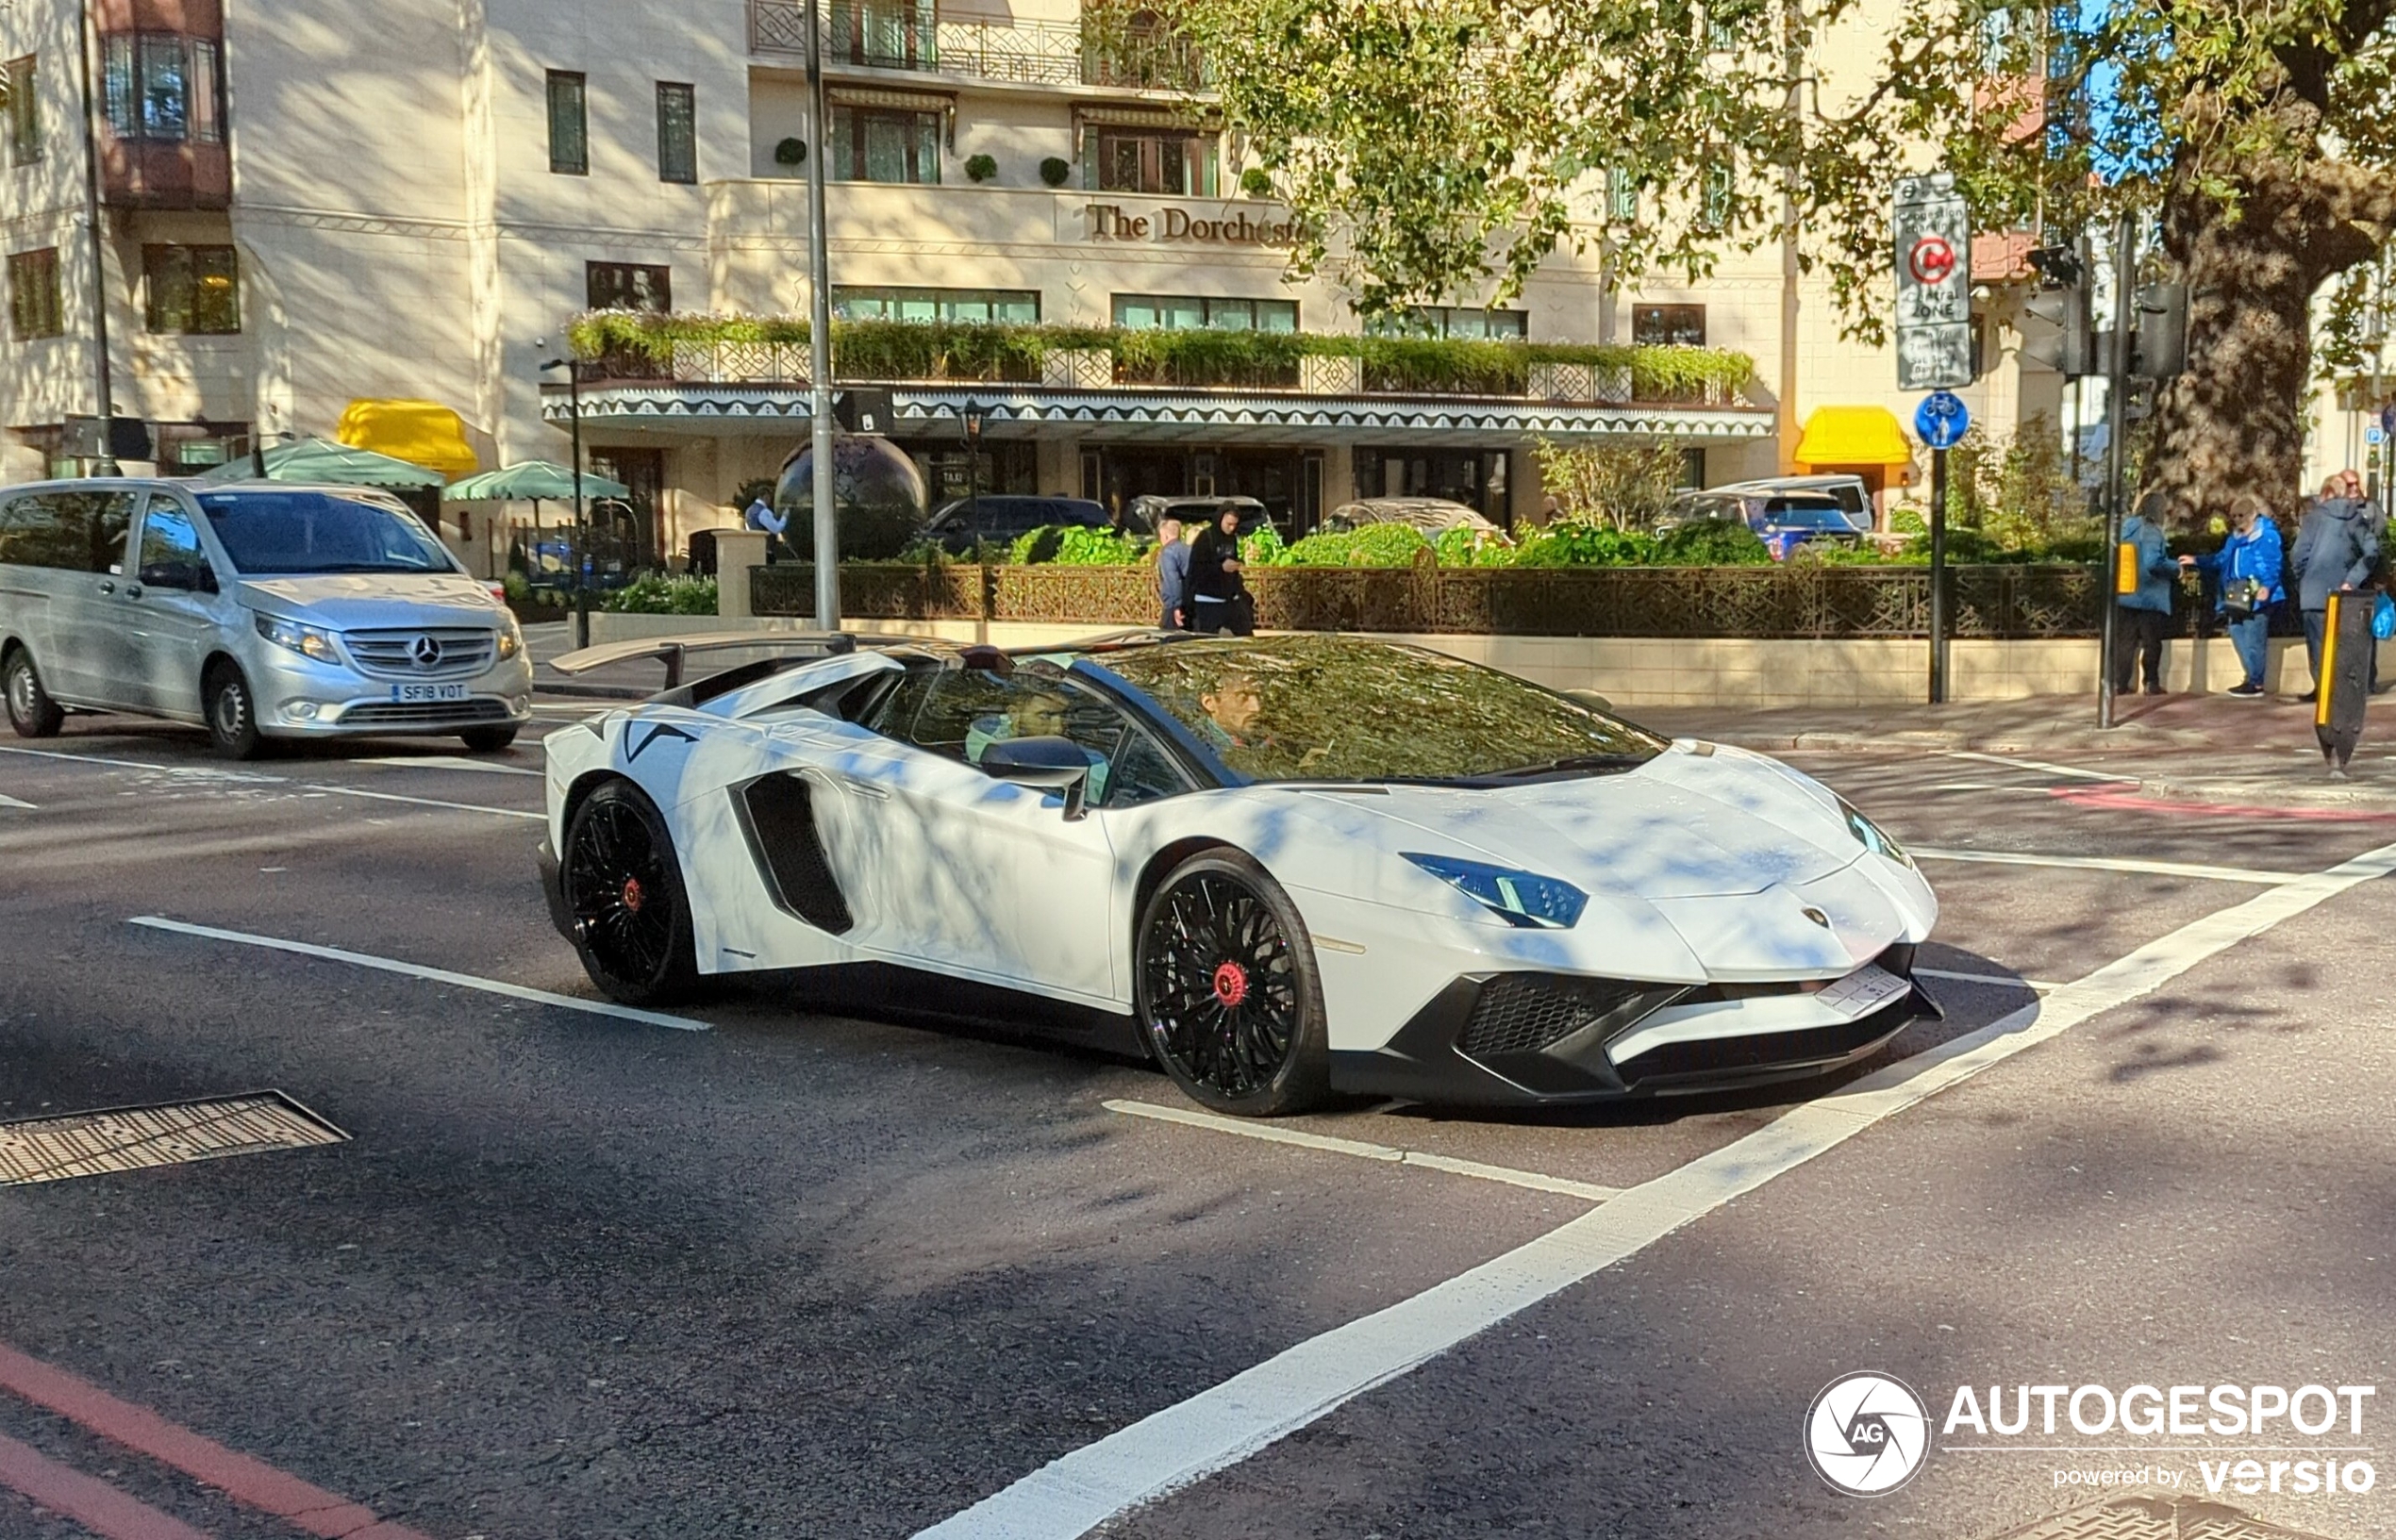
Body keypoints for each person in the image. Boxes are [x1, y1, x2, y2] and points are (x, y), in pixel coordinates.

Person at [2179, 493, 2285, 698]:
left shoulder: (2267, 536)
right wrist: (2197, 560)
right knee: (2237, 631)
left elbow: (2272, 564)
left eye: (2241, 515)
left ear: (2253, 514)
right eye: (2234, 516)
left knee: (2254, 636)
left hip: (2257, 593)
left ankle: (2255, 682)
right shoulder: (2233, 539)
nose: (2237, 520)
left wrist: (2267, 587)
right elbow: (2221, 559)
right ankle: (2252, 677)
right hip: (2236, 592)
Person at [2290, 474, 2382, 702]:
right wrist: (2352, 579)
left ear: (2325, 492)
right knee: (2342, 644)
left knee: (2318, 647)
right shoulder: (2356, 518)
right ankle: (2339, 693)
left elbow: (2297, 555)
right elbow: (2372, 551)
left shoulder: (2314, 518)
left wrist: (2304, 577)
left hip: (2314, 592)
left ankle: (2324, 692)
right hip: (2344, 593)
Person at [2113, 492, 2179, 696]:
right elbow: (2152, 562)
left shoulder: (2125, 528)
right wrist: (2175, 568)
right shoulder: (2150, 531)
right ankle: (2151, 682)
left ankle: (2120, 683)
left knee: (2125, 642)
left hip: (2126, 591)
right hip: (2148, 596)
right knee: (2152, 642)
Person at [1185, 505, 1248, 636]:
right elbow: (1196, 568)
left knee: (1245, 633)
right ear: (1220, 519)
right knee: (1208, 638)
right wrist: (1220, 568)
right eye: (1229, 524)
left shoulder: (1232, 538)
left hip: (1229, 598)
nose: (1232, 528)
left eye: (1235, 525)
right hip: (1208, 599)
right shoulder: (1206, 537)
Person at [1154, 516, 1190, 630]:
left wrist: (1176, 606)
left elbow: (1173, 580)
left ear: (1165, 535)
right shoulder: (1189, 549)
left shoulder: (1167, 552)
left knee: (1167, 639)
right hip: (1191, 602)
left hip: (1174, 606)